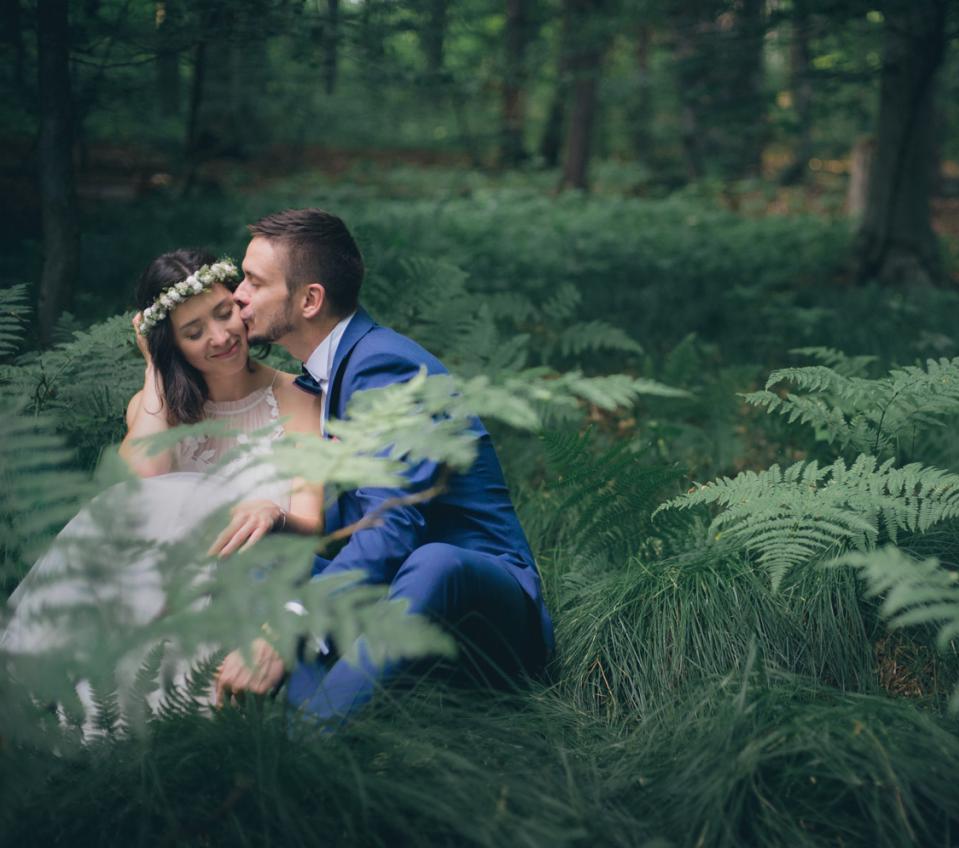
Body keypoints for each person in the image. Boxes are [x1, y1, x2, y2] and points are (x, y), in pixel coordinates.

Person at [222, 208, 552, 723]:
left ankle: (313, 745)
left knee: (433, 561)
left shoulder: (385, 366)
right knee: (269, 555)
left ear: (310, 300)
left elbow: (392, 523)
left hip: (482, 607)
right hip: (394, 595)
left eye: (253, 281)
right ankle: (294, 730)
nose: (237, 294)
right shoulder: (323, 375)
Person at [0, 248, 323, 734]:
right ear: (171, 345)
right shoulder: (157, 408)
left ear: (241, 303)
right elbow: (137, 491)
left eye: (224, 313)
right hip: (149, 586)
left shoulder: (297, 401)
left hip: (244, 585)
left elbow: (312, 526)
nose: (220, 337)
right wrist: (154, 370)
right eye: (193, 333)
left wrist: (272, 515)